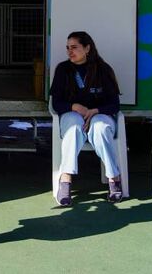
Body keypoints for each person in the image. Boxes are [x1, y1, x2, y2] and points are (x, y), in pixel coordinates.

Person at [49, 31, 122, 206]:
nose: (70, 51)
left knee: (100, 128)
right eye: (68, 48)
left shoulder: (103, 70)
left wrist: (96, 111)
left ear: (87, 48)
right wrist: (73, 107)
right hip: (72, 115)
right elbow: (56, 103)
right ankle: (65, 178)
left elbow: (114, 105)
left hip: (100, 115)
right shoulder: (63, 69)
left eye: (74, 47)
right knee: (73, 128)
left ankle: (114, 177)